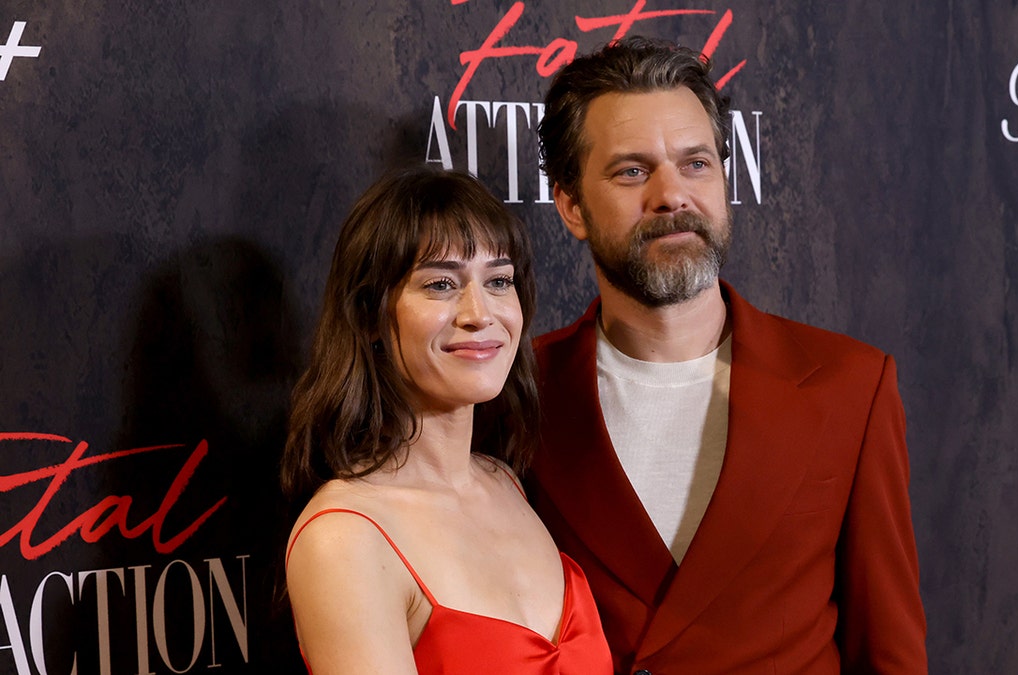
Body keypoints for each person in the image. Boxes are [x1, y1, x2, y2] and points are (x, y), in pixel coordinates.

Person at [529, 37, 928, 674]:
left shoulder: (851, 385)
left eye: (696, 163)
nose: (671, 194)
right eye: (633, 170)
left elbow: (889, 652)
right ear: (571, 205)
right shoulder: (518, 396)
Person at [281, 168, 612, 674]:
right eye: (440, 284)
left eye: (499, 281)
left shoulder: (507, 483)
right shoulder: (345, 539)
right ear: (369, 314)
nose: (480, 313)